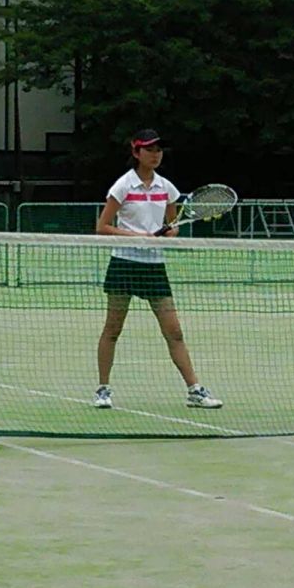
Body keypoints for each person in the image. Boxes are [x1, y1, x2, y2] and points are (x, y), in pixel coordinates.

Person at [93, 129, 222, 410]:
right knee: (113, 329)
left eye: (159, 149)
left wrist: (169, 233)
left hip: (154, 267)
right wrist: (135, 237)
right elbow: (102, 226)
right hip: (124, 264)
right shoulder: (123, 186)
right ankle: (103, 389)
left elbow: (172, 226)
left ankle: (194, 390)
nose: (156, 154)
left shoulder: (167, 188)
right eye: (150, 149)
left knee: (174, 331)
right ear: (136, 152)